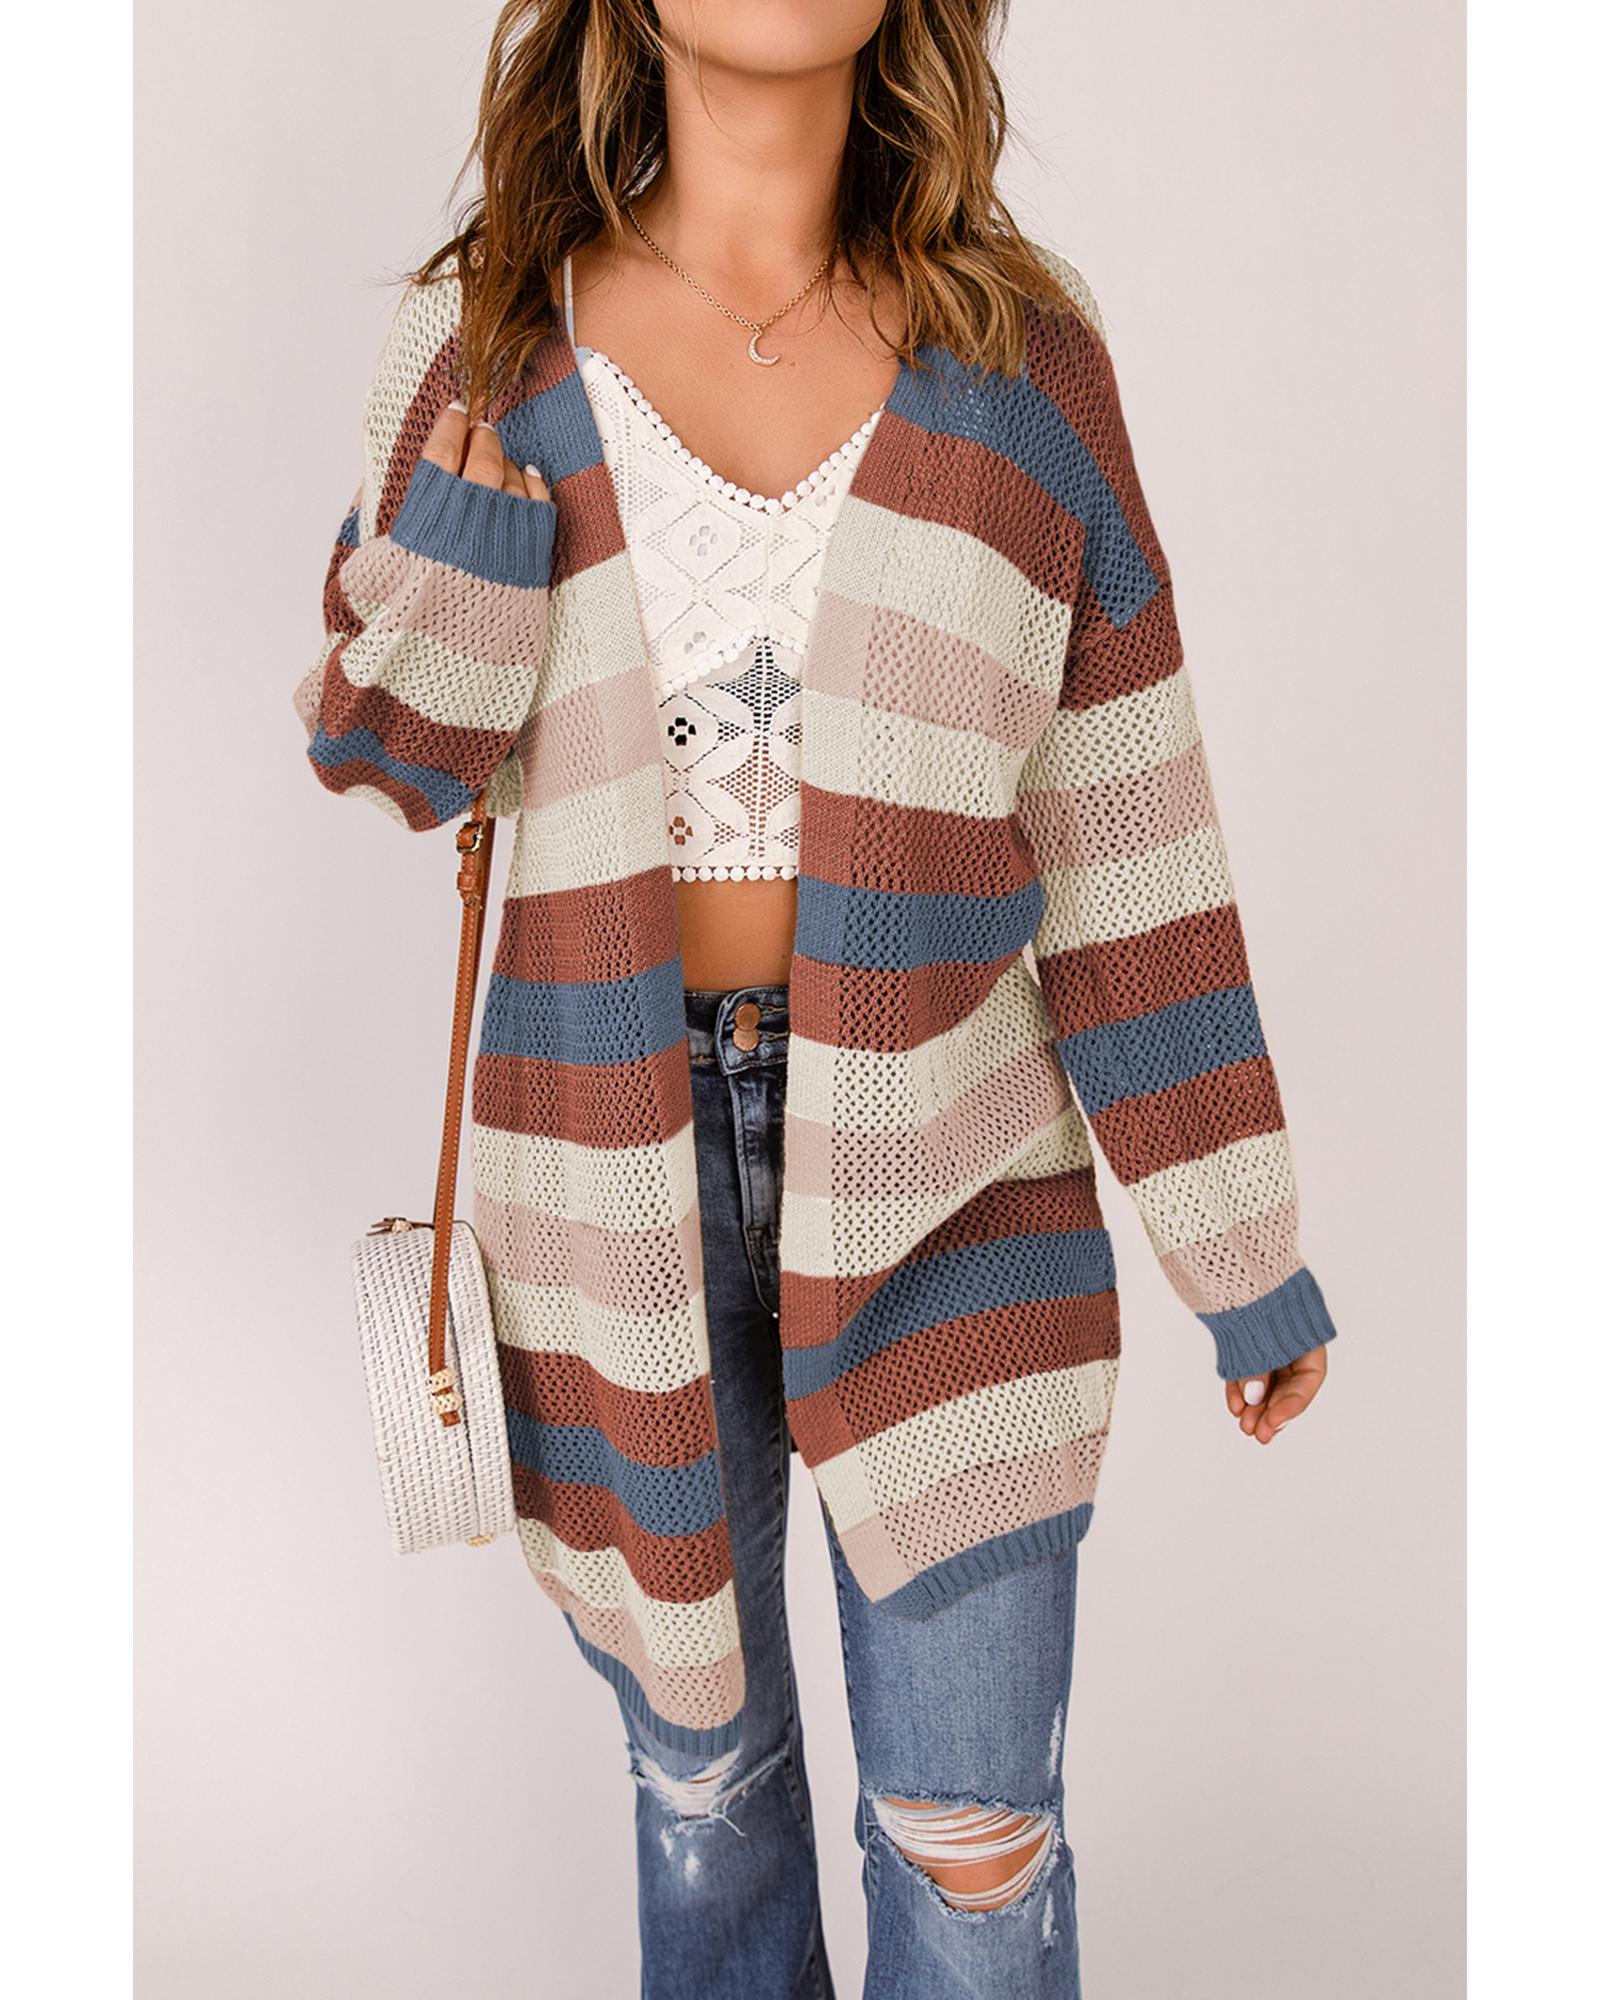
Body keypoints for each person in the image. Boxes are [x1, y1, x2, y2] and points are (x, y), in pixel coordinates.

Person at [292, 4, 1337, 1993]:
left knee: (974, 1850)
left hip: (957, 1164)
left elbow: (1128, 839)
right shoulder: (490, 343)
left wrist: (1242, 1253)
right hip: (603, 1182)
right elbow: (386, 748)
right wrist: (469, 565)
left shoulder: (1025, 370)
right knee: (707, 1806)